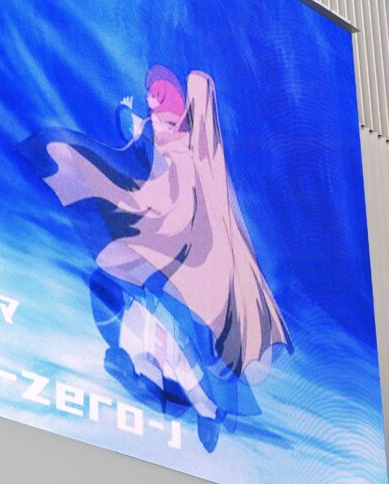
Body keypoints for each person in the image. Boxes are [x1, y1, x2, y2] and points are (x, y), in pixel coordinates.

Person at [20, 64, 291, 451]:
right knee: (153, 320)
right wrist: (130, 123)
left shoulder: (187, 154)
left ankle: (200, 403)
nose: (154, 116)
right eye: (152, 107)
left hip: (178, 264)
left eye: (160, 108)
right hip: (158, 259)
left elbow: (171, 199)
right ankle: (179, 393)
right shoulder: (163, 141)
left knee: (183, 332)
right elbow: (140, 148)